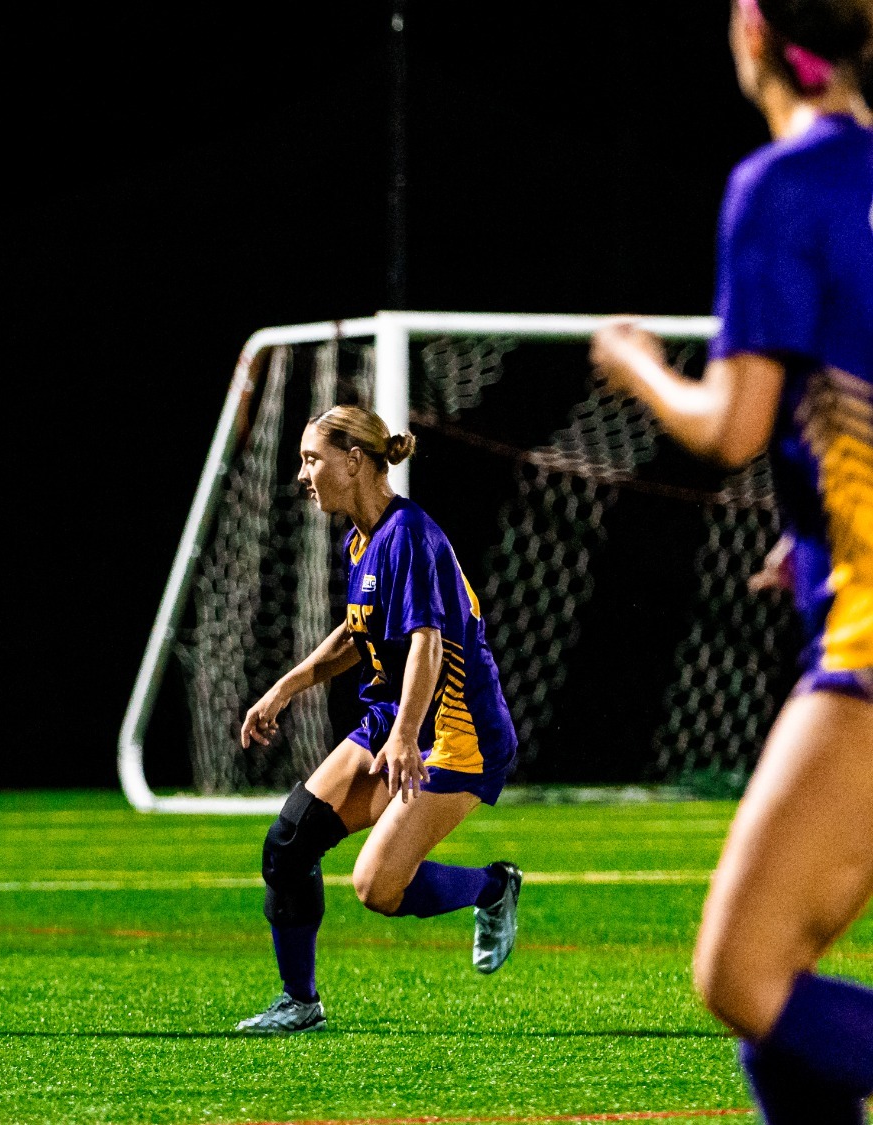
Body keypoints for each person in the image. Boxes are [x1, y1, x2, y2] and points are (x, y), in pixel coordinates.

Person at [589, 0, 873, 1114]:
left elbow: (733, 426)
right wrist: (803, 537)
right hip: (844, 586)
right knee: (786, 1008)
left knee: (742, 977)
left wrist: (634, 366)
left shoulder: (781, 185)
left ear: (752, 34)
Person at [233, 405, 522, 1034]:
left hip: (456, 735)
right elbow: (356, 632)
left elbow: (427, 642)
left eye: (312, 459)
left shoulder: (410, 536)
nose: (303, 474)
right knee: (288, 845)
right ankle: (299, 1004)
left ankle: (490, 888)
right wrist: (286, 687)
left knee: (376, 888)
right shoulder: (361, 538)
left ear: (354, 459)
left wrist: (401, 739)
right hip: (396, 719)